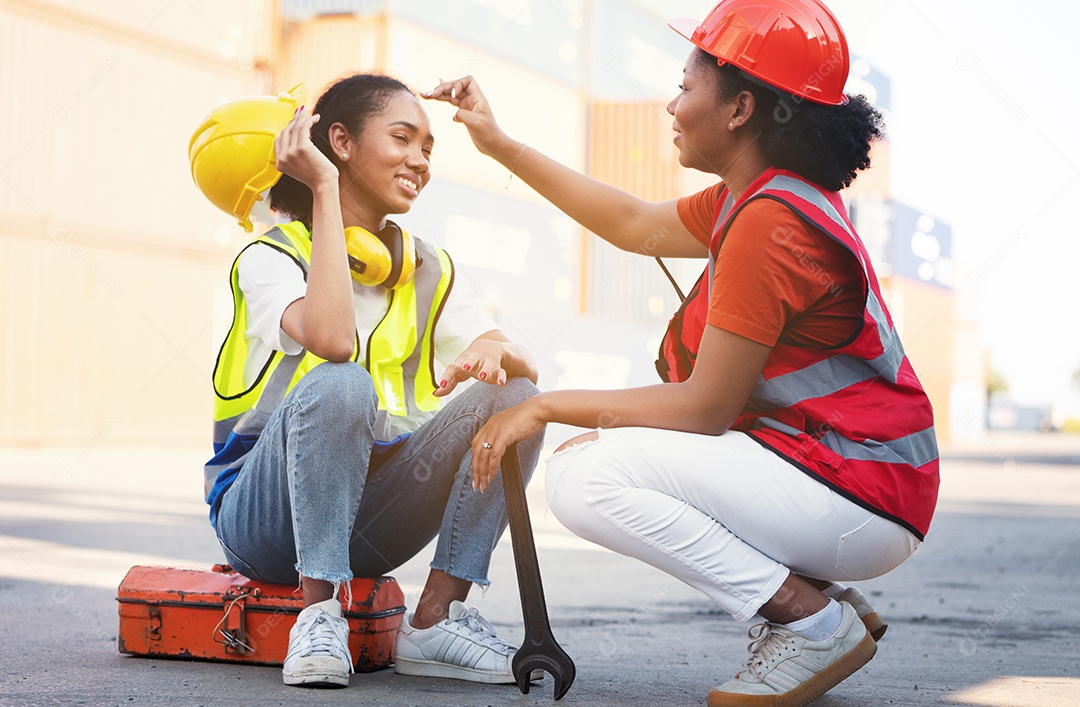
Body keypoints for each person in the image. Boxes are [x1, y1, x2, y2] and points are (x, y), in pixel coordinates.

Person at [423, 0, 939, 704]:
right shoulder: (757, 198)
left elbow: (703, 408)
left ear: (740, 108)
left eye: (687, 86)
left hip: (859, 493)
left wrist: (543, 406)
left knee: (588, 480)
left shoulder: (769, 223)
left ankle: (809, 621)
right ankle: (819, 591)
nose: (671, 104)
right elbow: (634, 224)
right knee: (596, 457)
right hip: (860, 484)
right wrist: (501, 145)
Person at [197, 73, 545, 689]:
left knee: (518, 400)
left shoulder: (428, 268)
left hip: (373, 516)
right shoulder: (270, 257)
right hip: (266, 520)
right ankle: (317, 613)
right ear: (341, 141)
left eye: (429, 148)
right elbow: (332, 340)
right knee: (342, 381)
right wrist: (323, 187)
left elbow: (522, 359)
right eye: (403, 138)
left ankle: (436, 618)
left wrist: (498, 356)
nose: (420, 160)